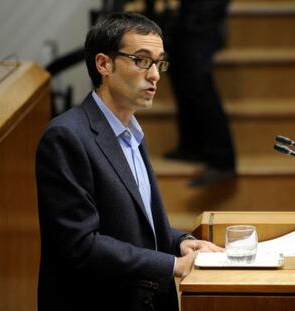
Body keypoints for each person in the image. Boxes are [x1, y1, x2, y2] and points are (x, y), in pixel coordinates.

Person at [35, 12, 222, 311]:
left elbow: (130, 226)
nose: (155, 75)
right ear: (103, 64)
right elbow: (80, 245)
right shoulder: (66, 137)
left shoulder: (131, 133)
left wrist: (180, 242)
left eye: (159, 62)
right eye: (142, 60)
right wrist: (172, 264)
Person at [164, 0, 236, 187]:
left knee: (198, 80)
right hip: (189, 13)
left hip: (203, 12)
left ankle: (223, 160)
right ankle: (193, 146)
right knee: (180, 70)